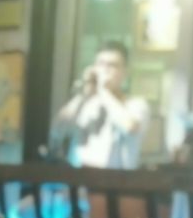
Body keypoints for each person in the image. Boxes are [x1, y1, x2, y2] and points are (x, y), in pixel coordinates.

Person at [52, 41, 150, 170]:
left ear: (125, 72)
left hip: (116, 179)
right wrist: (83, 94)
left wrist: (103, 90)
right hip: (80, 178)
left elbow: (130, 127)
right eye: (100, 64)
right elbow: (58, 129)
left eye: (112, 65)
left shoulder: (136, 104)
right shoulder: (86, 102)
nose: (105, 70)